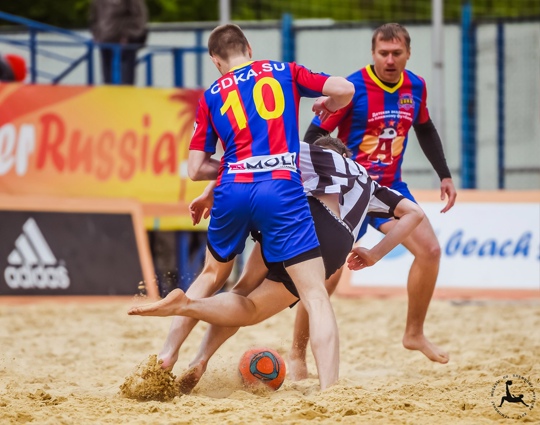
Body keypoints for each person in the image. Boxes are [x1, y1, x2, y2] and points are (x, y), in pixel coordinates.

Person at [130, 24, 354, 390]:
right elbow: (345, 89)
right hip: (280, 189)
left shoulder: (211, 96)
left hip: (232, 190)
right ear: (248, 47)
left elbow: (195, 169)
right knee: (314, 294)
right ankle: (329, 389)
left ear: (215, 60)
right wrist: (328, 106)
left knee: (211, 276)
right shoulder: (285, 71)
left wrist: (237, 165)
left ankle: (168, 353)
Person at [129, 135, 426, 394]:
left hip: (301, 216)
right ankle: (197, 347)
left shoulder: (315, 153)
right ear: (346, 155)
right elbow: (414, 213)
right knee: (259, 309)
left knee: (242, 290)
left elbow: (252, 155)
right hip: (337, 241)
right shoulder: (370, 183)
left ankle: (191, 317)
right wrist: (375, 253)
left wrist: (210, 191)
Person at [288, 22, 457, 380]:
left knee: (430, 251)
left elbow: (425, 128)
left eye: (397, 53)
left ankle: (414, 334)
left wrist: (444, 174)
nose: (390, 60)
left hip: (389, 188)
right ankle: (297, 355)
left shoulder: (416, 86)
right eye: (383, 53)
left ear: (408, 54)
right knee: (326, 279)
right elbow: (314, 136)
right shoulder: (353, 89)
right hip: (350, 189)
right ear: (373, 54)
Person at [89, 0, 148, 85]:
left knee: (126, 79)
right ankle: (109, 91)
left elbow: (139, 18)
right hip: (105, 41)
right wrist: (96, 35)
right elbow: (93, 17)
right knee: (107, 78)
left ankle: (125, 91)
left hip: (126, 44)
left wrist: (128, 36)